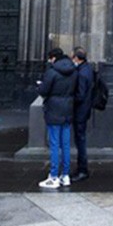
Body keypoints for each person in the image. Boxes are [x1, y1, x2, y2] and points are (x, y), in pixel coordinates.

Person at [37, 48, 77, 189]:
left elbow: (43, 91)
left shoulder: (52, 72)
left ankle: (53, 176)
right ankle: (65, 175)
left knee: (54, 144)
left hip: (54, 110)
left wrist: (40, 86)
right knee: (65, 144)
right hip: (68, 109)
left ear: (53, 58)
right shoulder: (73, 71)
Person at [71, 47, 93, 182]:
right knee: (80, 139)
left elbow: (80, 94)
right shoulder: (87, 69)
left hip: (80, 111)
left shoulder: (82, 73)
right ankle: (81, 168)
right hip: (84, 110)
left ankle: (82, 169)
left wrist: (69, 98)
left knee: (80, 140)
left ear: (77, 58)